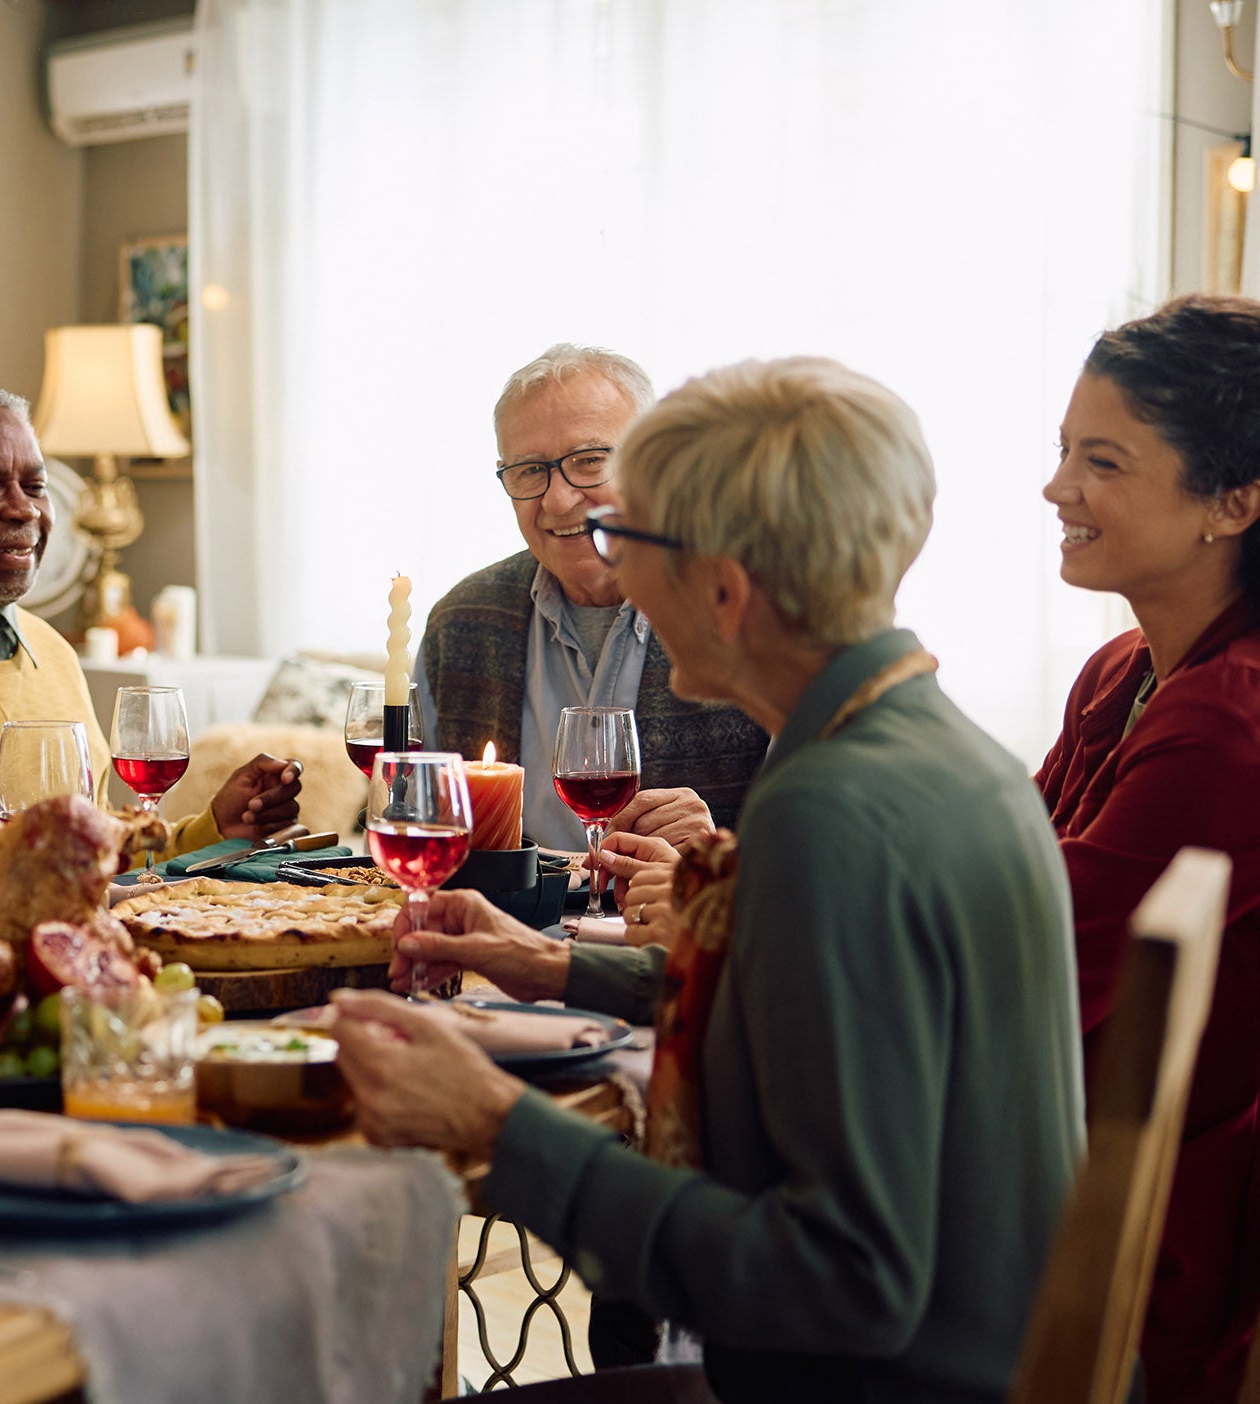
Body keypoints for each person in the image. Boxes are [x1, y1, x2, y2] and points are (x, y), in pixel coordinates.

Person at [339, 359, 1082, 1403]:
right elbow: (805, 1006)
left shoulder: (828, 817)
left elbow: (843, 1285)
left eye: (632, 539)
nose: (616, 569)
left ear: (724, 591)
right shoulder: (939, 753)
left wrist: (501, 1127)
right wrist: (550, 966)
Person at [1037, 294, 1260, 1403]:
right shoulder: (1121, 672)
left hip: (1142, 1243)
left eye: (1104, 462)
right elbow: (1006, 884)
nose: (1057, 489)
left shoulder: (1228, 721)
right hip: (1063, 1159)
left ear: (1236, 500)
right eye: (1064, 450)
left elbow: (1027, 964)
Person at [0, 379, 302, 842]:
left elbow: (93, 848)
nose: (25, 510)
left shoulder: (52, 652)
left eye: (36, 487)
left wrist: (214, 827)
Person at [410, 344, 766, 855]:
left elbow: (819, 855)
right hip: (506, 908)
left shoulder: (747, 615)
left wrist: (722, 859)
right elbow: (410, 820)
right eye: (530, 470)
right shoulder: (461, 621)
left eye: (590, 461)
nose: (558, 500)